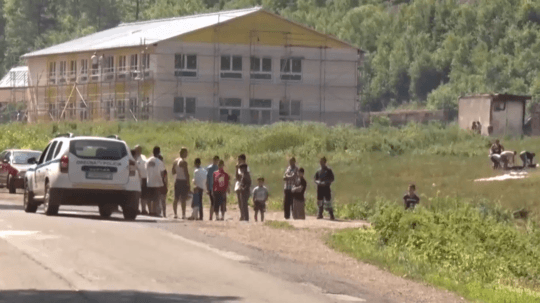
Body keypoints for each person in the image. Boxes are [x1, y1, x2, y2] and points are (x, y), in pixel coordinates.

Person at [145, 147, 167, 217]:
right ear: (159, 152)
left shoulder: (147, 161)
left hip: (149, 181)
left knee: (149, 198)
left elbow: (146, 170)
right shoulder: (159, 162)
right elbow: (162, 173)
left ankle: (150, 211)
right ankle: (154, 211)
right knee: (155, 199)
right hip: (157, 182)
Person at [172, 148, 190, 219]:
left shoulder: (175, 161)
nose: (187, 154)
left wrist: (178, 173)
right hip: (183, 181)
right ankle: (183, 214)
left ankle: (175, 214)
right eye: (186, 153)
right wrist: (188, 183)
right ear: (183, 153)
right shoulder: (184, 162)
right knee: (183, 199)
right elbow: (186, 173)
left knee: (176, 198)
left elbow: (173, 171)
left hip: (177, 180)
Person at [134, 145, 149, 215]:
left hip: (143, 178)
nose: (137, 151)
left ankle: (143, 209)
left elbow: (144, 167)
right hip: (135, 179)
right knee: (136, 195)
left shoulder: (143, 157)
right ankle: (136, 208)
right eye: (136, 149)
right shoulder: (133, 157)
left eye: (138, 149)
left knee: (144, 195)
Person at [235, 154, 250, 221]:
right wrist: (236, 169)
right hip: (239, 185)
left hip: (244, 186)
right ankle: (242, 215)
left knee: (244, 202)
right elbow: (237, 177)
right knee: (240, 201)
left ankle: (245, 216)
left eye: (239, 159)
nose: (238, 161)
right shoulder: (239, 168)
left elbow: (245, 177)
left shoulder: (246, 167)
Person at [206, 156, 220, 221]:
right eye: (216, 160)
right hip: (212, 187)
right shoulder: (210, 168)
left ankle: (215, 216)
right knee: (213, 202)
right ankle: (211, 216)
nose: (216, 162)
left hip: (216, 187)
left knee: (216, 202)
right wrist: (207, 188)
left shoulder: (218, 168)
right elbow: (207, 179)